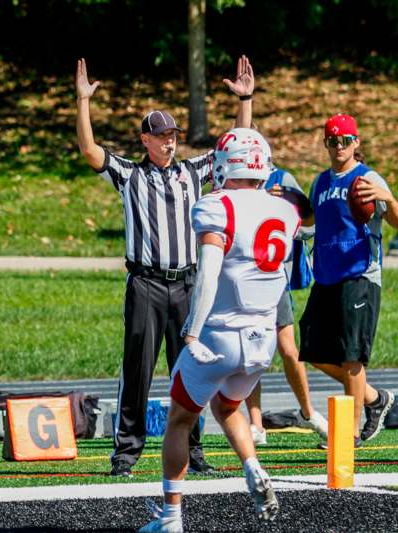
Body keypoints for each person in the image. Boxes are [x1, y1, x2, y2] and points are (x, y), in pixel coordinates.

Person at [75, 55, 255, 477]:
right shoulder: (129, 176)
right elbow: (89, 149)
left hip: (187, 284)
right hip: (146, 283)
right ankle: (126, 453)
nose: (169, 142)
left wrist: (245, 101)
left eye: (172, 135)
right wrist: (83, 101)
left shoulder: (192, 172)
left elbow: (237, 146)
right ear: (145, 140)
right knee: (137, 368)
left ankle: (194, 452)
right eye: (161, 136)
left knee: (191, 368)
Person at [140, 128, 298, 532]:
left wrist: (191, 332)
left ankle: (171, 516)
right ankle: (253, 468)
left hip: (219, 334)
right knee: (227, 406)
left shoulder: (217, 205)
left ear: (226, 164)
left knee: (179, 418)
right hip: (261, 340)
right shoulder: (284, 211)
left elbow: (208, 272)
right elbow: (284, 275)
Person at [299, 114, 397, 447]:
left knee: (352, 356)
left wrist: (388, 197)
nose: (338, 146)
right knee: (312, 350)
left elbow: (396, 221)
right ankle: (375, 398)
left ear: (356, 142)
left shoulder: (366, 178)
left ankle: (350, 434)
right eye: (332, 140)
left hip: (359, 274)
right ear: (325, 143)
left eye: (344, 140)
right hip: (326, 276)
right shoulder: (320, 182)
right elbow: (314, 221)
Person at [244, 166, 328, 446]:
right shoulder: (230, 183)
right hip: (245, 278)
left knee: (290, 350)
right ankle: (256, 425)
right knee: (253, 352)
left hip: (275, 278)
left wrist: (280, 209)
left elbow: (309, 227)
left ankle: (308, 411)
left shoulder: (282, 179)